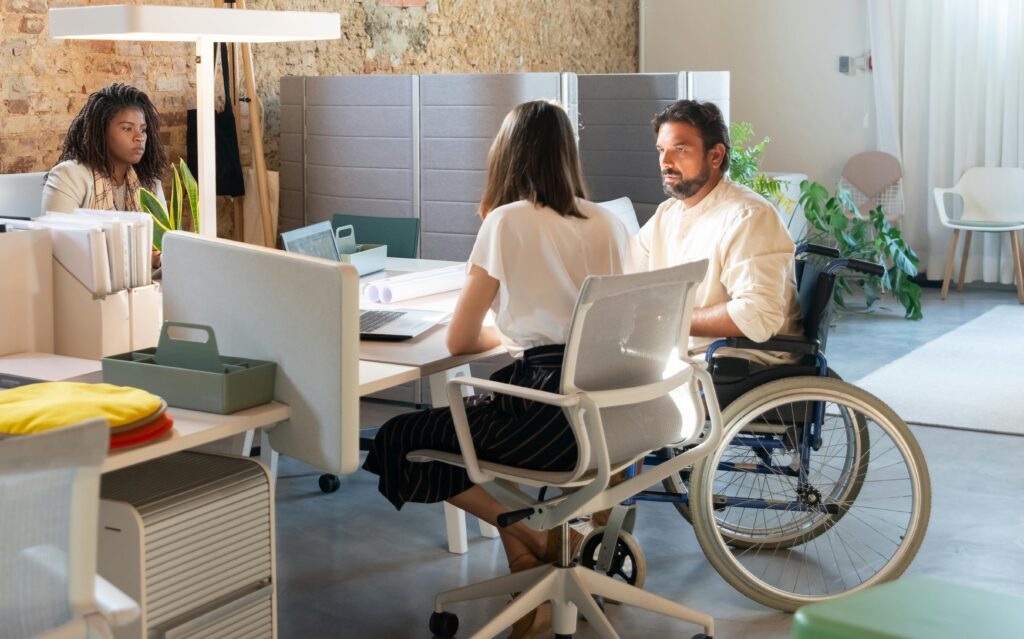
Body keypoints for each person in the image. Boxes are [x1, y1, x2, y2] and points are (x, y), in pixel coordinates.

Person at [362, 100, 630, 638]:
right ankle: (527, 564)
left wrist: (508, 334)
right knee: (487, 418)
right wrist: (524, 333)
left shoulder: (506, 222)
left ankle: (538, 539)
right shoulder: (610, 222)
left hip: (548, 419)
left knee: (399, 438)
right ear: (567, 154)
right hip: (611, 416)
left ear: (507, 156)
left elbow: (461, 339)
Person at [632, 100, 802, 370]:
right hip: (685, 355)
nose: (665, 162)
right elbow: (627, 275)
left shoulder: (748, 216)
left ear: (715, 156)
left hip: (737, 363)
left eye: (680, 149)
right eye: (661, 150)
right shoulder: (668, 214)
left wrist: (670, 318)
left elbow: (758, 314)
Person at [42, 83, 169, 216]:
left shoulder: (149, 182)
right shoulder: (68, 176)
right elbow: (56, 230)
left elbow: (164, 230)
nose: (140, 137)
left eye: (143, 130)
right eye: (127, 128)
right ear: (101, 131)